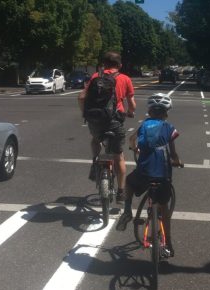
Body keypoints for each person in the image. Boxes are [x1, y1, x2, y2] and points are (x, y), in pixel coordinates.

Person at [116, 93, 182, 257]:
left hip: (145, 171)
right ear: (166, 113)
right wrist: (178, 161)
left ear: (150, 112)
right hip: (163, 174)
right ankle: (168, 244)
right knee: (164, 210)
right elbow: (173, 153)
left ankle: (127, 211)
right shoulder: (169, 127)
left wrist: (135, 149)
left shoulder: (144, 125)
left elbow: (132, 141)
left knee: (130, 183)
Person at [78, 51, 136, 201]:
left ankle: (96, 160)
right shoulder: (125, 79)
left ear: (103, 64)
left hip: (96, 120)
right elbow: (132, 104)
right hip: (116, 120)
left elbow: (81, 97)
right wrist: (130, 112)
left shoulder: (96, 77)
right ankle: (121, 192)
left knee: (95, 140)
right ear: (120, 65)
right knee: (119, 156)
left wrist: (84, 113)